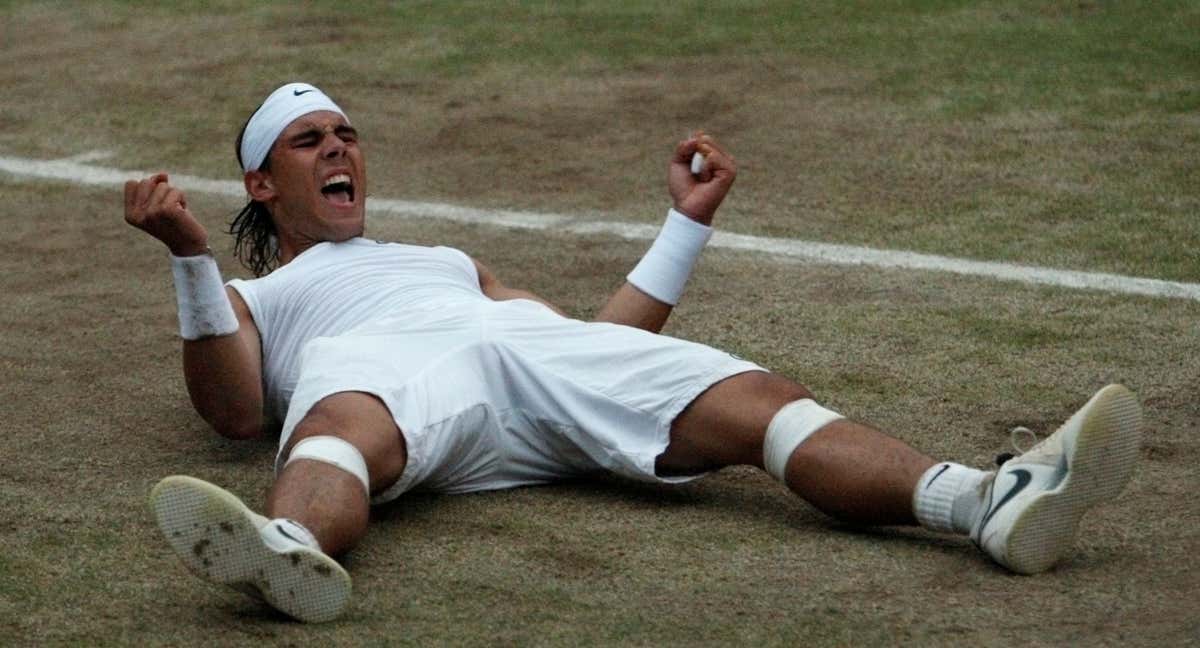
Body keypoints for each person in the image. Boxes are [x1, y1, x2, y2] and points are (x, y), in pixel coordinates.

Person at [126, 83, 1143, 623]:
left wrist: (683, 225)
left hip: (528, 355)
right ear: (262, 184)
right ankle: (294, 551)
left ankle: (981, 502)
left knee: (757, 398)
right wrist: (189, 258)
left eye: (346, 132)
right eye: (309, 142)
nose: (340, 147)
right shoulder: (254, 291)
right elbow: (234, 409)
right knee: (338, 428)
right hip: (386, 374)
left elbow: (591, 350)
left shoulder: (446, 257)